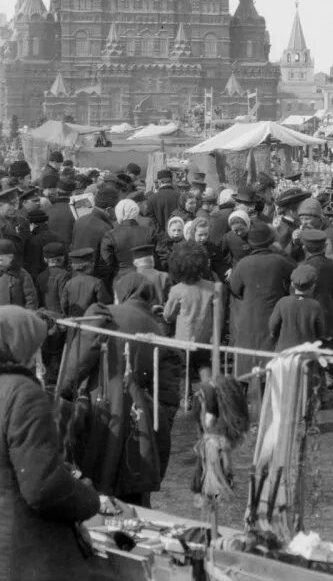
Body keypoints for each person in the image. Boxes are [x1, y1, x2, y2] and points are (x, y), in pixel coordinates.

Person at [0, 305, 101, 580]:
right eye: (34, 346)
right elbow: (42, 486)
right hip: (22, 552)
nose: (36, 355)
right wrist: (89, 499)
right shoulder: (20, 392)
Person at [59, 275, 165, 505]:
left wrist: (65, 390)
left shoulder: (103, 314)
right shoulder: (156, 325)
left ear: (120, 293)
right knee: (134, 465)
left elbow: (81, 357)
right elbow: (167, 380)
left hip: (104, 398)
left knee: (99, 465)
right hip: (144, 408)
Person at [227, 222, 295, 375]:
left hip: (249, 316)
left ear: (250, 243)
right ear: (271, 240)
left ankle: (243, 388)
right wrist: (282, 252)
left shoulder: (244, 263)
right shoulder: (280, 261)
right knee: (270, 356)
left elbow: (235, 288)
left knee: (246, 357)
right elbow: (296, 274)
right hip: (273, 315)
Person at [163, 244, 215, 380]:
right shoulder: (211, 287)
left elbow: (167, 316)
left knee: (183, 371)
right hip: (204, 339)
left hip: (182, 340)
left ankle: (184, 399)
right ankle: (209, 395)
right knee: (204, 367)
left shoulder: (177, 290)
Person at [269, 264, 326, 351]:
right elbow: (320, 331)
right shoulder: (315, 305)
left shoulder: (283, 302)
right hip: (306, 352)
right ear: (313, 286)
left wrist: (273, 336)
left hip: (284, 352)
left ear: (292, 284)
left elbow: (273, 326)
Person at [62, 246, 111, 316]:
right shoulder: (97, 282)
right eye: (92, 262)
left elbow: (64, 305)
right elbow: (105, 303)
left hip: (73, 321)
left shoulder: (69, 283)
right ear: (90, 264)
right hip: (91, 321)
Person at [0, 240, 37, 309]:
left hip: (17, 316)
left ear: (11, 258)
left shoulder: (22, 274)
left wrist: (28, 315)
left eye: (1, 260)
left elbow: (31, 298)